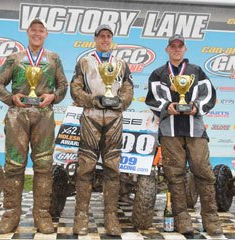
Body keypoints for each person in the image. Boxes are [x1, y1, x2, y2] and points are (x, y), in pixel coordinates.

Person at [0, 18, 68, 234]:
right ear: (28, 33)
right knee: (14, 165)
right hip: (18, 116)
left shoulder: (53, 58)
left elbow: (63, 85)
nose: (37, 34)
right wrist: (11, 97)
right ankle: (10, 215)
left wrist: (53, 96)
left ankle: (42, 215)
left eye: (41, 31)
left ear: (46, 34)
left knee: (44, 166)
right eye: (33, 30)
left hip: (44, 115)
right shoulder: (14, 58)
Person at [145, 34, 223, 236]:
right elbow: (152, 99)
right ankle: (181, 218)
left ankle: (211, 218)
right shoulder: (158, 73)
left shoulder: (196, 71)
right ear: (167, 49)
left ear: (185, 49)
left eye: (180, 46)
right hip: (169, 131)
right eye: (173, 46)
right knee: (175, 175)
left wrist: (197, 107)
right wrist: (167, 107)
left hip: (195, 130)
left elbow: (210, 95)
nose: (177, 49)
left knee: (204, 173)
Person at [70, 24, 133, 236]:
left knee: (113, 168)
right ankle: (81, 216)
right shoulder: (85, 61)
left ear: (111, 39)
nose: (105, 40)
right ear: (95, 39)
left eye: (108, 36)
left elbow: (128, 88)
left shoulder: (121, 63)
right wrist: (91, 100)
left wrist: (120, 102)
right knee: (85, 166)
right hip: (91, 116)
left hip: (114, 117)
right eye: (101, 36)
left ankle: (111, 216)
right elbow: (74, 88)